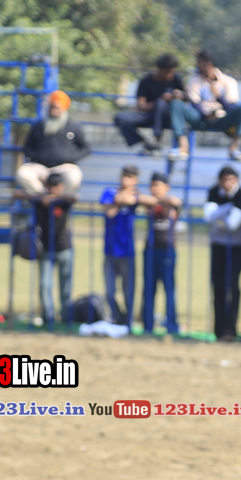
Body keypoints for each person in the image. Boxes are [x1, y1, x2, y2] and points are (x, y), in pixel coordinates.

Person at [169, 50, 241, 161]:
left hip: (221, 119)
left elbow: (231, 107)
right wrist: (205, 114)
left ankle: (233, 149)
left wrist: (218, 96)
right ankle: (183, 147)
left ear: (208, 64)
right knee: (176, 104)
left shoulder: (228, 82)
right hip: (200, 118)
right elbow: (194, 103)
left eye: (199, 62)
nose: (197, 65)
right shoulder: (194, 80)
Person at [204, 166, 241, 342]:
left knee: (232, 286)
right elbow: (208, 217)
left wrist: (219, 214)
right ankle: (218, 330)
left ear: (236, 180)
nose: (227, 183)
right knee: (218, 286)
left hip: (237, 246)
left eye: (230, 180)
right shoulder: (213, 192)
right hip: (218, 244)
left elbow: (232, 224)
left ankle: (230, 329)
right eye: (224, 180)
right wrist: (228, 207)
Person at [16, 90, 91, 196]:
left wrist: (71, 157)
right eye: (52, 107)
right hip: (39, 166)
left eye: (57, 108)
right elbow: (27, 147)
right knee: (23, 174)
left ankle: (59, 197)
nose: (54, 111)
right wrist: (36, 156)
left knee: (74, 178)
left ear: (64, 109)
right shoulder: (39, 126)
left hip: (64, 167)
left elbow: (86, 148)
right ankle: (44, 195)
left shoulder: (73, 126)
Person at [114, 54, 185, 154]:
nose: (170, 75)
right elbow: (141, 106)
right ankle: (146, 144)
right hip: (149, 115)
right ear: (159, 69)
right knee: (120, 117)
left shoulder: (176, 79)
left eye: (172, 72)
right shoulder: (146, 81)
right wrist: (160, 100)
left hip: (168, 117)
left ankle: (157, 140)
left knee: (161, 104)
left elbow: (187, 98)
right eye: (167, 72)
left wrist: (180, 96)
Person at [100, 165, 144, 326]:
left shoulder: (134, 195)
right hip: (110, 251)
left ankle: (128, 323)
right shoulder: (109, 192)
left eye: (130, 177)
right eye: (124, 176)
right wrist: (121, 198)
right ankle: (119, 319)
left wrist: (122, 198)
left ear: (136, 181)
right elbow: (110, 212)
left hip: (127, 252)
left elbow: (136, 200)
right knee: (110, 292)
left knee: (128, 292)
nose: (125, 180)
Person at [141, 172, 183, 336]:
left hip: (167, 251)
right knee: (149, 289)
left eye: (158, 186)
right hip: (150, 250)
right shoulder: (150, 203)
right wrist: (155, 200)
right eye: (152, 185)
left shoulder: (170, 203)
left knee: (169, 289)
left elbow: (176, 202)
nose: (155, 189)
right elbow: (139, 198)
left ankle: (172, 325)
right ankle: (148, 326)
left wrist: (160, 199)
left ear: (167, 187)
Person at [33, 173, 75, 326]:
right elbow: (18, 194)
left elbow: (75, 197)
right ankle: (48, 318)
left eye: (56, 186)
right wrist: (42, 198)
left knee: (65, 287)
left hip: (64, 249)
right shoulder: (39, 201)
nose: (53, 189)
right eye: (50, 186)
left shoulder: (64, 202)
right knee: (45, 285)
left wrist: (55, 199)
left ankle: (65, 318)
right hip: (46, 250)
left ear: (61, 187)